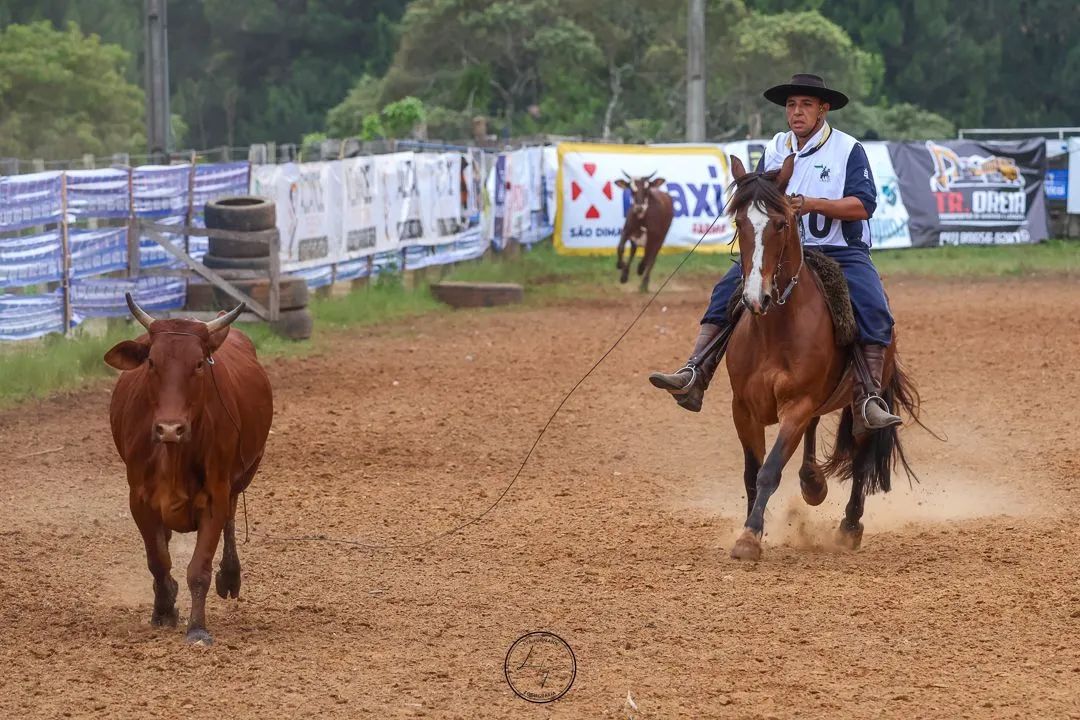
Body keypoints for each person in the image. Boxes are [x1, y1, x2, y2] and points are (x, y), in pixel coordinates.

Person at [649, 73, 901, 434]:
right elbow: (759, 195)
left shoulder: (848, 149)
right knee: (725, 290)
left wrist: (813, 203)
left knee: (873, 306)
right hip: (783, 249)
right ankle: (696, 371)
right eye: (791, 105)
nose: (797, 112)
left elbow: (864, 205)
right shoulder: (775, 147)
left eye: (806, 105)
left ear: (823, 110)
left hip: (840, 249)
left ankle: (868, 398)